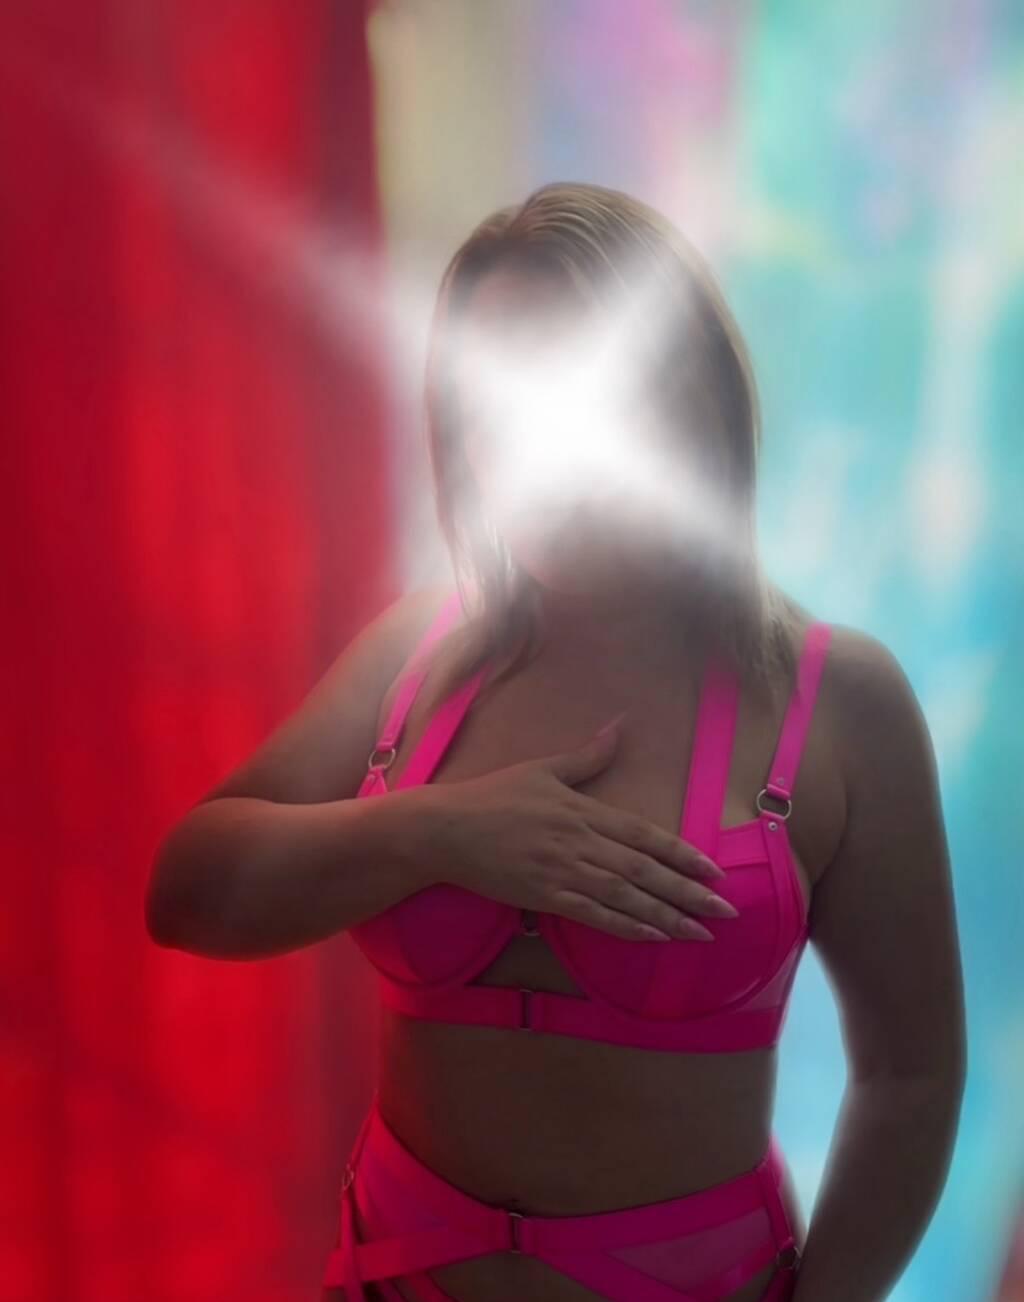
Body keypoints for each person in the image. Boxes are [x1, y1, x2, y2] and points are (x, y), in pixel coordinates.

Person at [146, 182, 966, 1302]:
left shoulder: (839, 705)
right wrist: (439, 832)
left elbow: (913, 1076)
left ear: (685, 408)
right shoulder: (419, 653)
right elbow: (189, 891)